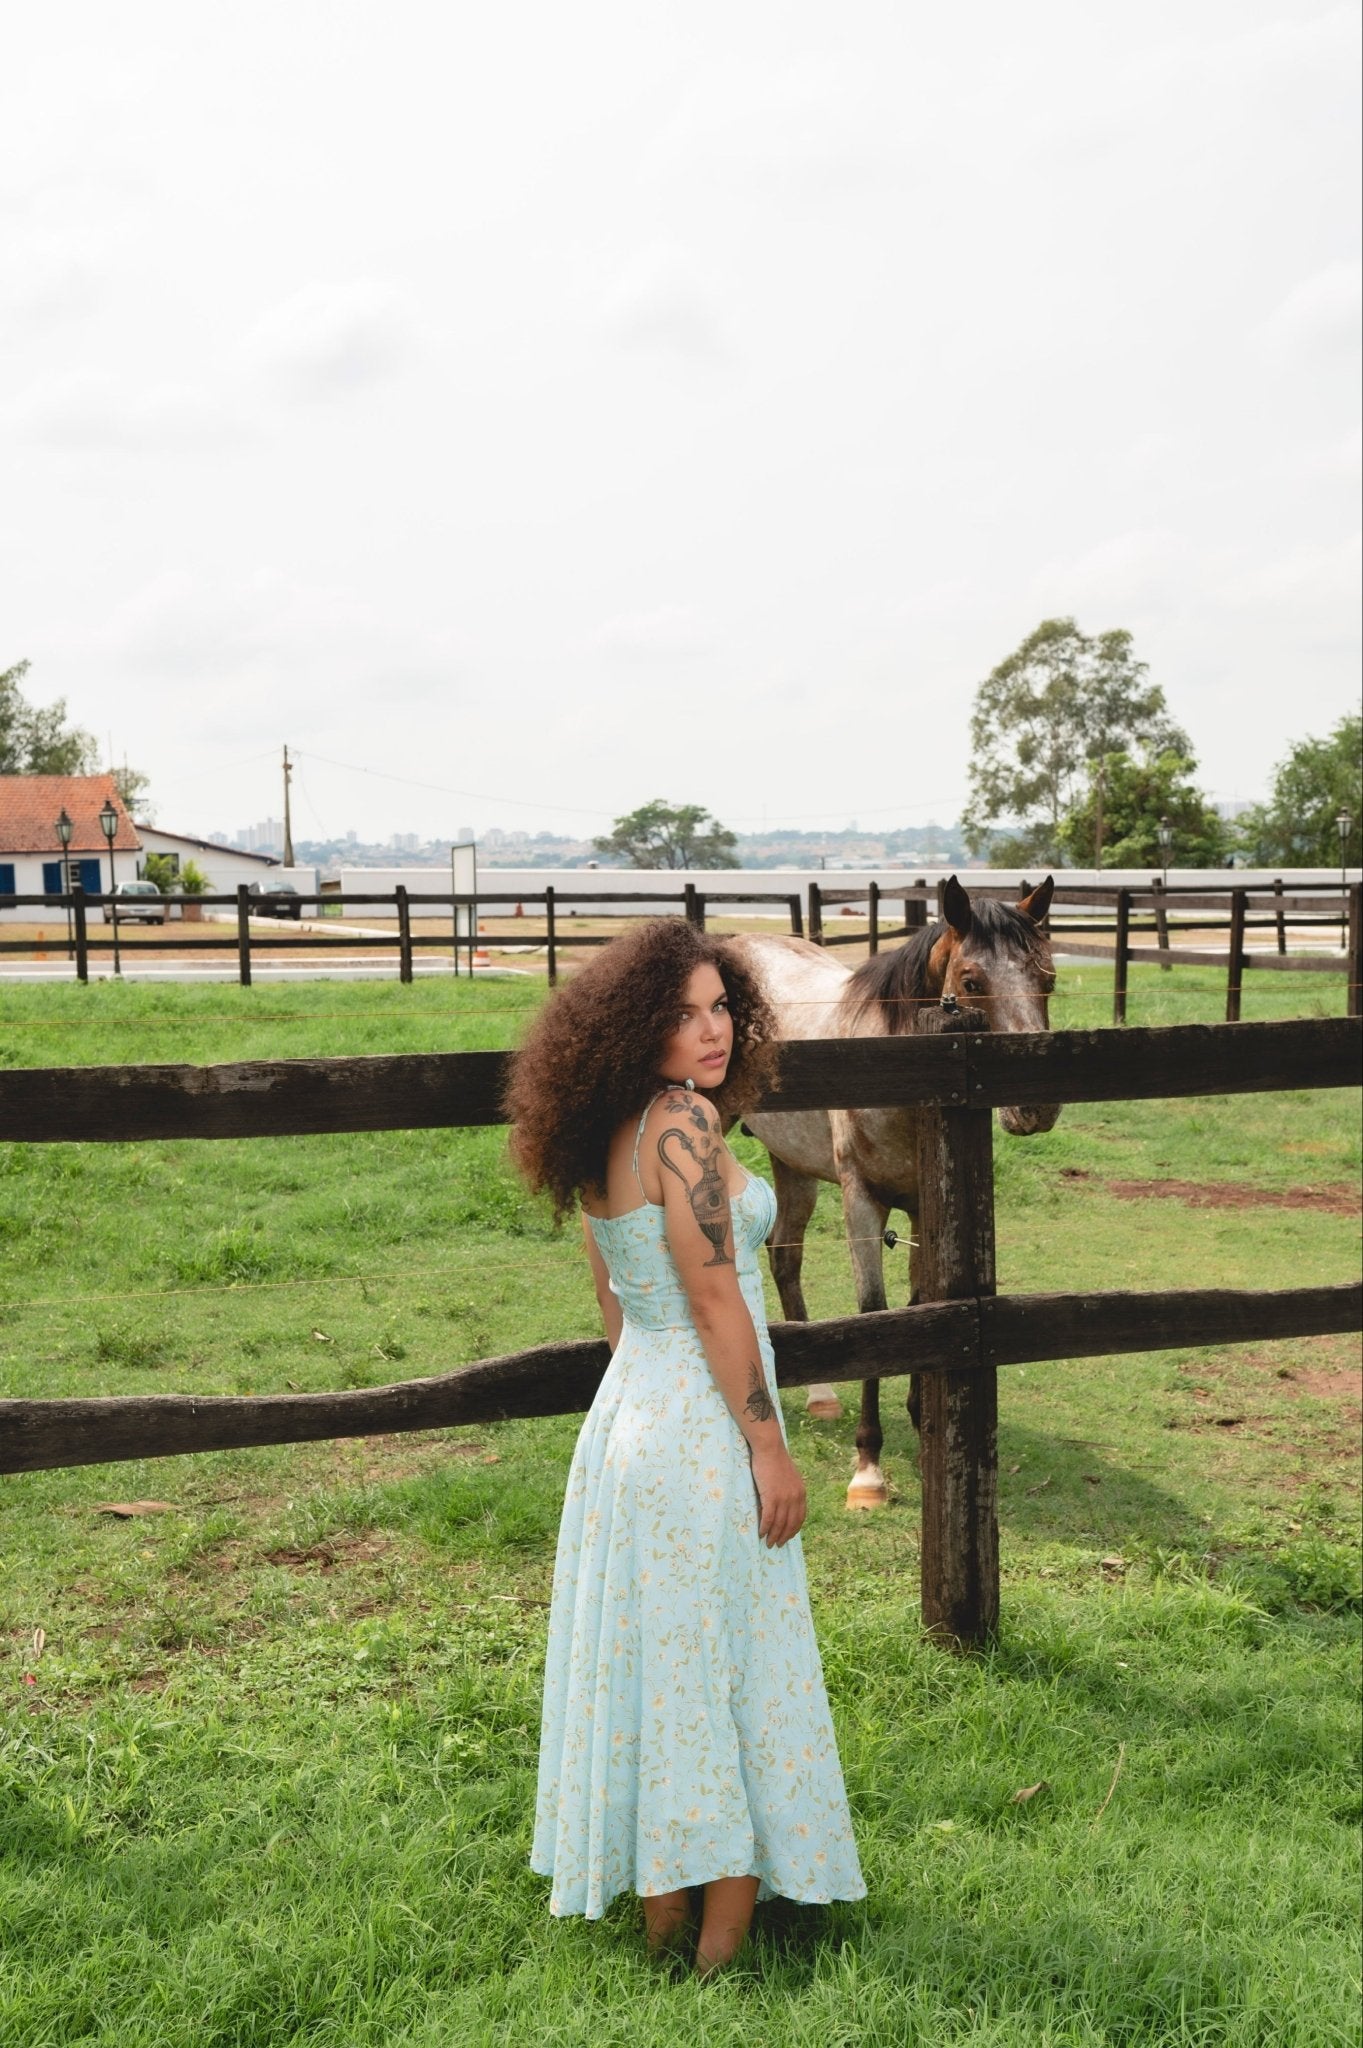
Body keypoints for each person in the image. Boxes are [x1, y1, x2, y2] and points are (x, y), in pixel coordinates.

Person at [505, 918, 864, 1975]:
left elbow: (619, 1306)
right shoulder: (684, 1133)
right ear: (633, 1025)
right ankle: (718, 1949)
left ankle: (664, 1922)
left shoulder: (601, 1129)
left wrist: (653, 1396)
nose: (711, 1029)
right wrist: (767, 1445)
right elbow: (715, 1300)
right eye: (683, 1012)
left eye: (721, 1006)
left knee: (660, 1665)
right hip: (702, 1428)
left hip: (631, 1417)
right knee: (725, 1666)